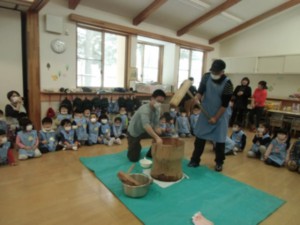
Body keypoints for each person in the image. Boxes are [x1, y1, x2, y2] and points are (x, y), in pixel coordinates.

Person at [188, 59, 233, 172]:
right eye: (213, 71)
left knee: (219, 140)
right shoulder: (206, 77)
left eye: (216, 72)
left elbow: (224, 105)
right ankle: (195, 160)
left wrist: (215, 118)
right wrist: (196, 98)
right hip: (205, 111)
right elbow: (200, 91)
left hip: (220, 114)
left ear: (222, 71)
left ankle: (219, 162)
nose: (214, 74)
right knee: (199, 138)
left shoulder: (228, 84)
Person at [127, 89, 166, 162]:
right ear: (152, 98)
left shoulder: (157, 109)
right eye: (158, 101)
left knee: (162, 134)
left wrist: (159, 131)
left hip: (146, 131)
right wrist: (157, 138)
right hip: (135, 132)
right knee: (133, 159)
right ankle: (135, 147)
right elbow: (146, 125)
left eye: (161, 102)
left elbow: (156, 125)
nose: (159, 103)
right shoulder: (145, 109)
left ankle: (151, 153)